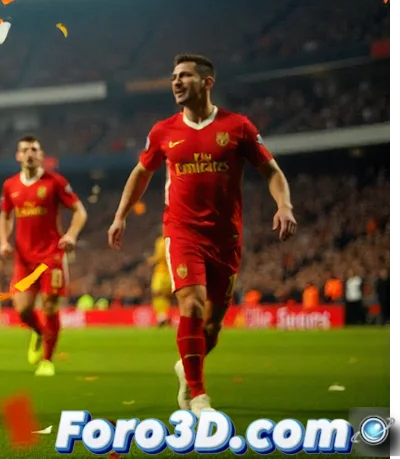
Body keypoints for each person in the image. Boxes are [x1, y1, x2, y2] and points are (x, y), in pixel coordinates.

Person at [107, 53, 297, 414]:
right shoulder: (163, 131)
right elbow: (140, 174)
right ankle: (198, 395)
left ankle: (186, 365)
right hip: (181, 231)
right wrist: (120, 216)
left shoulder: (237, 126)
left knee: (211, 325)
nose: (176, 82)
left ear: (207, 82)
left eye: (185, 76)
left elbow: (271, 171)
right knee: (190, 304)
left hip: (226, 238)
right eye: (174, 76)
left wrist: (284, 205)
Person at [0, 135, 87, 376]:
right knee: (23, 309)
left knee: (49, 307)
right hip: (23, 259)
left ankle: (47, 360)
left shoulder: (55, 182)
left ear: (41, 155)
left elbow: (79, 211)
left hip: (51, 256)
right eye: (24, 149)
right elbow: (5, 216)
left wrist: (71, 235)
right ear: (18, 156)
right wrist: (4, 241)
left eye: (34, 149)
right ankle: (39, 332)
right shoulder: (10, 186)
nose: (29, 153)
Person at [147, 234, 172, 327]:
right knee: (166, 296)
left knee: (157, 293)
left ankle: (162, 316)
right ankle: (163, 316)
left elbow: (161, 255)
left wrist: (152, 260)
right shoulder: (174, 239)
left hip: (162, 273)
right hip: (171, 272)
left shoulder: (161, 242)